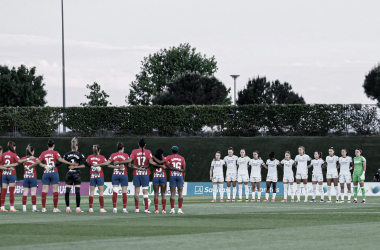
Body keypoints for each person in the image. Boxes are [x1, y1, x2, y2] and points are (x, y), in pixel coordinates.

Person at [28, 139, 77, 212]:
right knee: (55, 191)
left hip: (46, 173)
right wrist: (70, 163)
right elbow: (61, 160)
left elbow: (37, 162)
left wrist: (30, 167)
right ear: (53, 145)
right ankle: (55, 208)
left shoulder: (43, 153)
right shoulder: (55, 152)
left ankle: (43, 208)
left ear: (47, 145)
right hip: (54, 173)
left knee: (44, 191)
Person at [53, 137, 97, 213]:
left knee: (67, 192)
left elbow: (61, 162)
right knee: (77, 192)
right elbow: (85, 163)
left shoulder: (66, 154)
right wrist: (92, 167)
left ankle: (68, 208)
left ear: (71, 146)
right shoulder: (80, 154)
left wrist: (53, 166)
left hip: (69, 173)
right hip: (76, 174)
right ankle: (77, 208)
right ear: (77, 147)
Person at [121, 138, 161, 213]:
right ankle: (146, 209)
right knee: (145, 192)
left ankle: (137, 209)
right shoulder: (148, 152)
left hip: (136, 173)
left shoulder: (134, 151)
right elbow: (151, 162)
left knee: (136, 192)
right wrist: (159, 165)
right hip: (145, 174)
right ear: (145, 145)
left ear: (138, 144)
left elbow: (129, 161)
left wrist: (119, 162)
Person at [98, 142, 131, 213]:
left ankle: (114, 209)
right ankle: (124, 209)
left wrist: (98, 164)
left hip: (115, 175)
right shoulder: (126, 155)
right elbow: (129, 164)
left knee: (115, 191)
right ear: (123, 148)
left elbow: (107, 163)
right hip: (123, 175)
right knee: (124, 192)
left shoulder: (113, 155)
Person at [0, 141, 29, 212]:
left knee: (3, 191)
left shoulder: (3, 155)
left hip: (4, 175)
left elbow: (0, 166)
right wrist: (28, 159)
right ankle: (12, 207)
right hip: (12, 174)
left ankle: (2, 207)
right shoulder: (14, 154)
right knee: (11, 191)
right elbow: (19, 161)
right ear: (13, 147)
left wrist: (6, 168)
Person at [86, 145, 107, 213]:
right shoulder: (102, 157)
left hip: (92, 176)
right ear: (99, 150)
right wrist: (99, 165)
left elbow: (86, 164)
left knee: (91, 193)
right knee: (101, 193)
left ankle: (91, 209)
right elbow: (106, 163)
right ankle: (101, 209)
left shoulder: (89, 157)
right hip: (100, 176)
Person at [166, 146, 186, 214]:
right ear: (178, 151)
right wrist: (184, 179)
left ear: (172, 151)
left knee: (172, 193)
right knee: (180, 193)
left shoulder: (169, 157)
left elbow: (166, 164)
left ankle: (172, 209)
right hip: (180, 176)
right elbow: (184, 170)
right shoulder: (182, 158)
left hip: (172, 176)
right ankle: (180, 210)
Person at [21, 145, 39, 212]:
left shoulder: (23, 159)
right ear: (32, 152)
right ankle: (34, 208)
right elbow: (40, 163)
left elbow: (19, 162)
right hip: (33, 177)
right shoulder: (35, 159)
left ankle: (24, 208)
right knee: (33, 193)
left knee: (25, 193)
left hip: (26, 177)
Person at [152, 149, 168, 214]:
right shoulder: (164, 158)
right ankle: (163, 210)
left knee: (156, 194)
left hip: (155, 176)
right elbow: (166, 165)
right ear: (162, 153)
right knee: (163, 194)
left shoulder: (153, 159)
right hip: (163, 177)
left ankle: (156, 210)